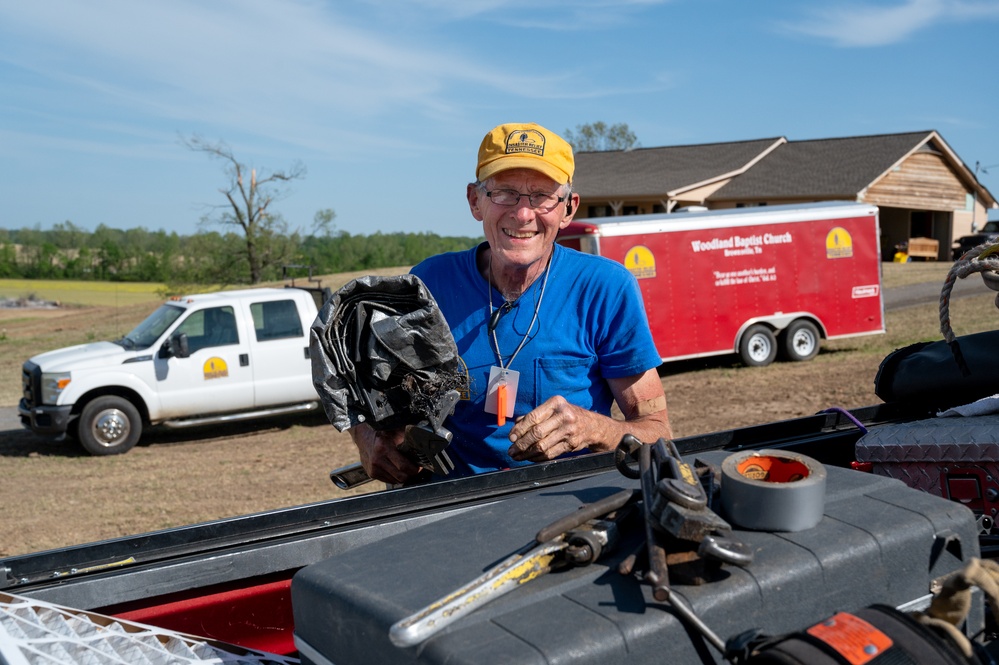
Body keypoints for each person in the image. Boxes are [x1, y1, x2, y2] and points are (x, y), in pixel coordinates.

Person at [350, 122, 672, 483]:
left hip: (568, 501)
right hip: (451, 503)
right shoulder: (429, 284)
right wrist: (367, 438)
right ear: (475, 201)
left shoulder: (606, 288)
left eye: (542, 195)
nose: (523, 214)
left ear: (568, 209)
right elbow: (366, 386)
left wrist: (594, 429)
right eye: (504, 192)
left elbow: (658, 432)